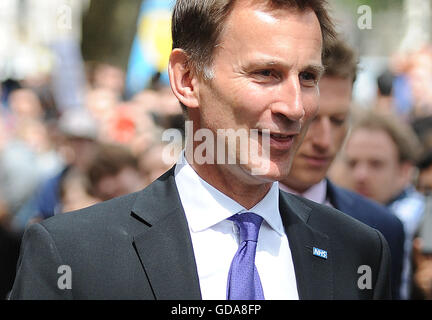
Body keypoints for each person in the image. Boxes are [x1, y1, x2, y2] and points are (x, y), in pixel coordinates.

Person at [10, 0, 391, 300]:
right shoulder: (74, 254)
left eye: (307, 77)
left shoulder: (357, 251)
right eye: (265, 73)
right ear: (187, 79)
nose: (295, 106)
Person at [279, 39, 405, 299]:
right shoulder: (232, 218)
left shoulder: (380, 228)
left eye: (338, 120)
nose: (324, 140)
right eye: (310, 118)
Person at [341, 110, 424, 299]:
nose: (360, 175)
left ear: (405, 171)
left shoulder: (420, 221)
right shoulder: (331, 218)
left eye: (376, 164)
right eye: (352, 163)